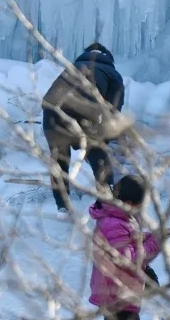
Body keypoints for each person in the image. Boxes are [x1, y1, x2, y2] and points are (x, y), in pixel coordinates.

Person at [86, 175, 169, 320]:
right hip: (115, 292)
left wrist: (151, 237)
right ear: (131, 202)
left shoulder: (120, 217)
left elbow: (130, 243)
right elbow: (129, 258)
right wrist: (155, 243)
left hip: (121, 290)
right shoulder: (113, 222)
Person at [42, 42, 126, 213]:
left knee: (59, 159)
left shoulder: (71, 69)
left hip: (51, 111)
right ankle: (106, 203)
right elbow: (113, 113)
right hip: (84, 111)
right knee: (100, 157)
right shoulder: (112, 74)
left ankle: (62, 206)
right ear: (109, 58)